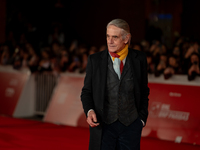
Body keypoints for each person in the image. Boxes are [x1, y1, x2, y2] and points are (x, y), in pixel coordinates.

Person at [81, 19, 149, 150]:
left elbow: (144, 90)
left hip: (131, 126)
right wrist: (89, 111)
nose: (109, 41)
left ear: (126, 38)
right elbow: (86, 92)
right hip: (103, 126)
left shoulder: (139, 59)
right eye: (108, 36)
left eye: (115, 37)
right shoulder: (95, 60)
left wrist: (141, 119)